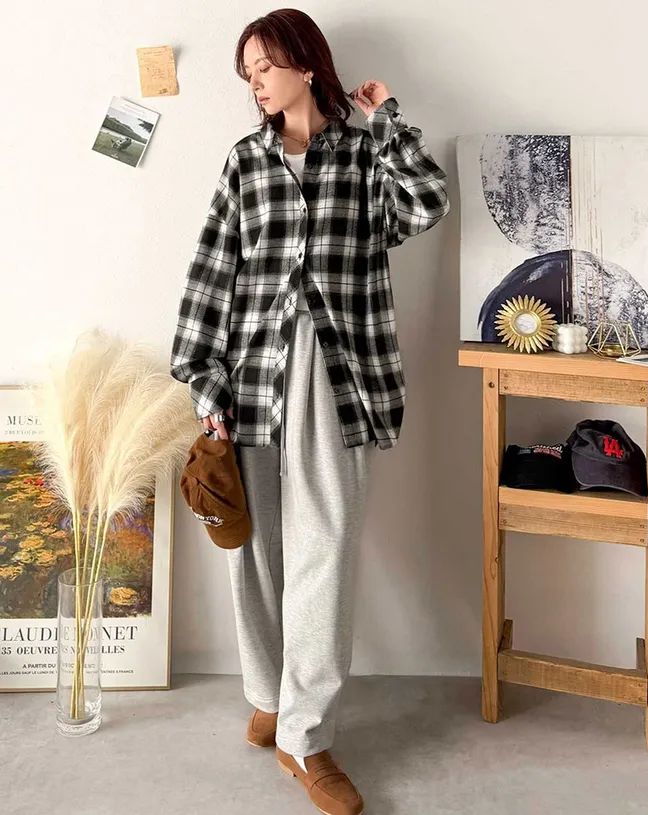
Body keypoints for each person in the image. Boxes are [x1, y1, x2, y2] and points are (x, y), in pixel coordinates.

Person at [170, 9, 449, 814]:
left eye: (264, 65)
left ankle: (306, 735)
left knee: (326, 546)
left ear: (305, 63)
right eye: (248, 72)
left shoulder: (364, 156)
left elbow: (426, 203)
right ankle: (270, 694)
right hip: (251, 374)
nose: (255, 82)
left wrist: (387, 119)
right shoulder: (244, 162)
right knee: (254, 546)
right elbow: (212, 271)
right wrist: (204, 381)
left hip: (335, 373)